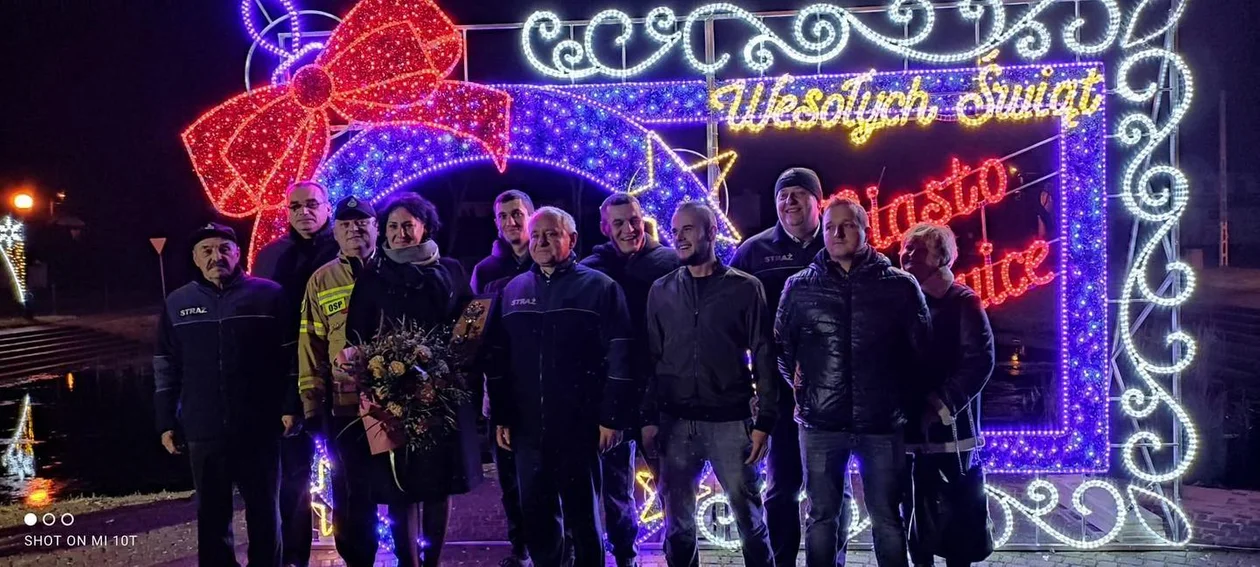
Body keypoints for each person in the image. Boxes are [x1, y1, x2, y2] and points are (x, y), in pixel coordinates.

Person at [775, 197, 931, 567]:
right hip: (820, 423)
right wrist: (801, 389)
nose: (837, 233)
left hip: (882, 424)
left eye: (846, 225)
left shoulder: (900, 286)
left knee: (887, 517)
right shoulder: (799, 287)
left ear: (865, 230)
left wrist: (902, 402)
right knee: (821, 517)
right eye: (830, 226)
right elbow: (782, 348)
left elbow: (920, 352)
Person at [486, 206, 634, 567]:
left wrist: (611, 418)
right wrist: (503, 415)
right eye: (536, 235)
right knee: (538, 519)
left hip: (579, 427)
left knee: (584, 519)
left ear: (572, 239)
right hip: (527, 429)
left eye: (552, 234)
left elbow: (621, 355)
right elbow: (498, 359)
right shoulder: (513, 290)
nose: (541, 242)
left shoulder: (600, 288)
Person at [344, 193, 479, 567]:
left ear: (425, 227)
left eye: (408, 225)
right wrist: (376, 374)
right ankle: (408, 563)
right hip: (393, 397)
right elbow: (356, 336)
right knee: (399, 486)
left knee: (438, 484)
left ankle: (431, 561)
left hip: (442, 396)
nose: (400, 233)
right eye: (392, 226)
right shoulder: (372, 276)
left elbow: (468, 324)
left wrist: (452, 365)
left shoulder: (450, 269)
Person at [155, 222, 299, 567]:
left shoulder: (269, 295)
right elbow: (165, 365)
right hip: (203, 427)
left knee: (265, 512)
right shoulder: (178, 302)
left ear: (237, 253)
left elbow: (292, 356)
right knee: (212, 516)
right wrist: (165, 421)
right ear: (195, 258)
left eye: (224, 249)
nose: (215, 257)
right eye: (206, 250)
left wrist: (291, 405)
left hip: (259, 425)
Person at [642, 201, 778, 567]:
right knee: (677, 528)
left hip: (730, 422)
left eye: (687, 229)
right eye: (675, 231)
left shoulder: (745, 288)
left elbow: (764, 354)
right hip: (675, 423)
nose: (679, 237)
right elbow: (651, 358)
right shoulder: (661, 290)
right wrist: (648, 418)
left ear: (711, 232)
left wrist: (765, 420)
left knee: (750, 521)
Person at [730, 166, 837, 566]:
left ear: (817, 201)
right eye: (782, 195)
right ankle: (782, 560)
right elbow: (730, 313)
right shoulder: (754, 251)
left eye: (798, 194)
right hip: (778, 390)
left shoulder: (837, 242)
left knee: (832, 490)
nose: (789, 202)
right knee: (781, 487)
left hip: (833, 389)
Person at [580, 193, 679, 567]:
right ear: (605, 227)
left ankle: (679, 553)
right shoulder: (592, 270)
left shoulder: (669, 263)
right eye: (618, 222)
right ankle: (625, 555)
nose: (628, 229)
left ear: (643, 220)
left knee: (671, 485)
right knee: (615, 487)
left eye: (633, 220)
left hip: (661, 391)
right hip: (613, 395)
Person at [252, 180, 340, 567]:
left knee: (346, 470)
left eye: (312, 204)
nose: (304, 212)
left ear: (327, 207)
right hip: (286, 377)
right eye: (296, 206)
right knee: (293, 476)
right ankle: (293, 557)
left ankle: (356, 549)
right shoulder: (271, 256)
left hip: (338, 373)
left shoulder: (343, 249)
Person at [898, 223, 995, 567]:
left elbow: (979, 361)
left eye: (918, 249)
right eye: (906, 248)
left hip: (950, 429)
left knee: (955, 508)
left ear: (941, 256)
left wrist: (942, 402)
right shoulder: (899, 299)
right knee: (912, 510)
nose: (907, 254)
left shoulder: (962, 301)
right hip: (906, 424)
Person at [296, 196, 382, 567]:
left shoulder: (394, 270)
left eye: (362, 222)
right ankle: (357, 560)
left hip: (394, 400)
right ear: (334, 232)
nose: (354, 230)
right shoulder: (321, 280)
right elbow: (310, 344)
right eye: (345, 224)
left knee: (397, 485)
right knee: (349, 488)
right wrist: (311, 403)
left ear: (376, 227)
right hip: (343, 405)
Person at [471, 189, 536, 567]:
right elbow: (477, 331)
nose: (511, 221)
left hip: (545, 387)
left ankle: (559, 546)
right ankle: (520, 547)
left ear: (530, 215)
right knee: (510, 478)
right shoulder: (486, 271)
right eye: (503, 216)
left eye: (517, 214)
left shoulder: (548, 259)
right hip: (500, 389)